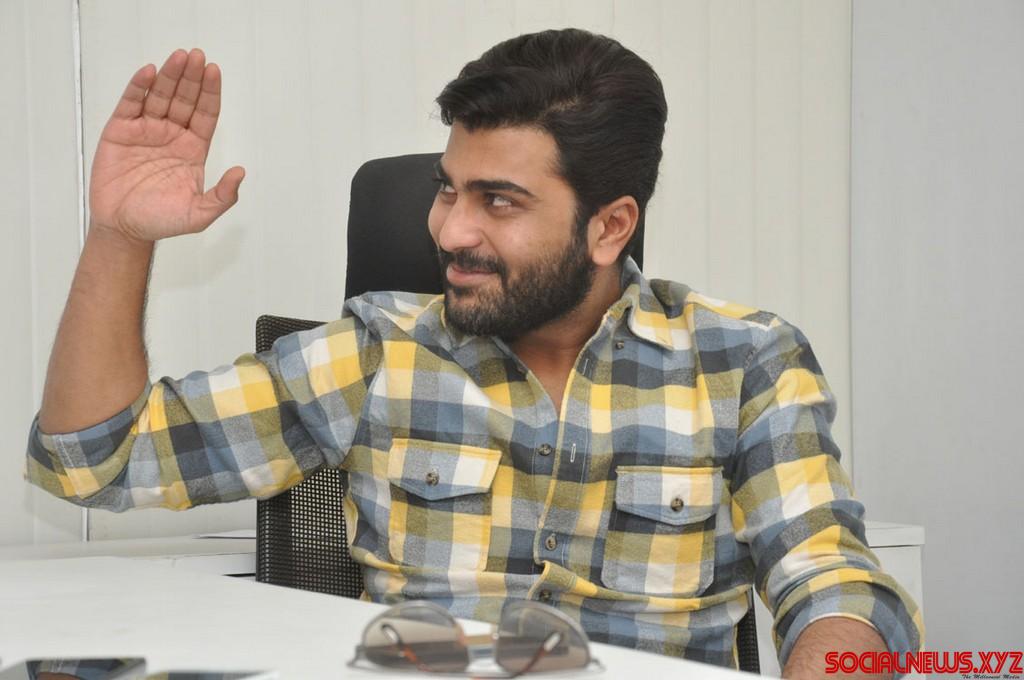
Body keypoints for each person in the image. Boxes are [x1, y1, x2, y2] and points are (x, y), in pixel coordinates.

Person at [26, 28, 922, 678]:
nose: (450, 229)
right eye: (447, 189)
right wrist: (119, 235)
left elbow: (835, 582)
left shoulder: (744, 361)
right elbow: (93, 461)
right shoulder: (380, 353)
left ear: (610, 226)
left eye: (498, 201)